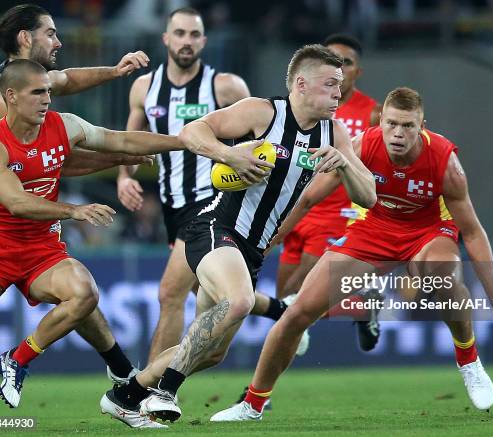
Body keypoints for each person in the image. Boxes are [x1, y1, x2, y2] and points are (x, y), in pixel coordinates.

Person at [211, 86, 493, 422]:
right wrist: (269, 238)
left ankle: (468, 358)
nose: (398, 133)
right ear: (382, 121)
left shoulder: (445, 161)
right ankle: (252, 405)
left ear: (422, 125)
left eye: (408, 126)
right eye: (392, 123)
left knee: (439, 274)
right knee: (297, 314)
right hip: (375, 230)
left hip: (429, 232)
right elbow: (307, 198)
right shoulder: (363, 145)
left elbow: (474, 231)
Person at [100, 44, 377, 428]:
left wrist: (345, 165)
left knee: (211, 353)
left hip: (251, 250)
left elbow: (369, 196)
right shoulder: (263, 112)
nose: (338, 93)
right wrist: (229, 156)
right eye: (330, 84)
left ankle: (125, 395)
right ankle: (165, 392)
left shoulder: (335, 133)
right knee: (240, 300)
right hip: (215, 228)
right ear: (301, 84)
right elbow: (192, 132)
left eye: (341, 85)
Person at [0, 59, 263, 419]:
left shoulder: (64, 125)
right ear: (10, 96)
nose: (47, 99)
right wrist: (73, 211)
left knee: (85, 294)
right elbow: (15, 203)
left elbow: (119, 139)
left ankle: (17, 360)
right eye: (37, 92)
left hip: (42, 250)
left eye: (48, 90)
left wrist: (186, 142)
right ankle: (122, 372)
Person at [0, 3, 153, 389]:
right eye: (50, 33)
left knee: (78, 294)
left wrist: (115, 72)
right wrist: (118, 155)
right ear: (25, 38)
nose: (58, 41)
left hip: (18, 218)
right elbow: (53, 166)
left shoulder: (26, 82)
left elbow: (68, 79)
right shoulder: (4, 101)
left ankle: (121, 372)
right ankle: (121, 371)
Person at [116, 7, 294, 363]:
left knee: (170, 294)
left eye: (194, 35)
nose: (187, 41)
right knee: (210, 290)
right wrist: (123, 177)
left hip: (211, 204)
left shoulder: (226, 87)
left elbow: (260, 139)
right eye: (179, 33)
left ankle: (145, 387)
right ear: (166, 38)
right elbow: (131, 140)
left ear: (204, 41)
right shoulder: (144, 88)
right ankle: (280, 310)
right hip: (172, 204)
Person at [276, 33, 381, 353]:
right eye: (331, 60)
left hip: (337, 214)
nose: (338, 68)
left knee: (296, 300)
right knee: (282, 299)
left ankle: (257, 395)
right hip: (294, 208)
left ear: (356, 72)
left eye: (346, 63)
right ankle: (359, 301)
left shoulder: (373, 114)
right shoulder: (304, 107)